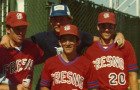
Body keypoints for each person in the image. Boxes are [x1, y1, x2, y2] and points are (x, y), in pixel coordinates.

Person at [0, 4, 125, 89]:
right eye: (55, 19)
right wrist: (5, 37)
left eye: (62, 18)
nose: (58, 22)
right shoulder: (43, 37)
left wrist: (117, 34)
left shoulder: (78, 34)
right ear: (50, 21)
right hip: (50, 82)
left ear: (69, 19)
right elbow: (20, 39)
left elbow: (101, 40)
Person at [85, 11, 138, 90]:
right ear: (98, 27)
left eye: (110, 26)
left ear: (115, 27)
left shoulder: (125, 45)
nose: (107, 29)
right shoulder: (90, 50)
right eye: (103, 26)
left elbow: (132, 75)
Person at [40, 24, 99, 90]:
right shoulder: (50, 62)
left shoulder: (87, 64)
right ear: (60, 43)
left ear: (77, 42)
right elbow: (44, 86)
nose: (67, 43)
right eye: (64, 40)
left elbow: (93, 87)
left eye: (71, 40)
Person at [0, 11, 44, 90]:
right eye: (17, 29)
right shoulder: (1, 51)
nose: (21, 32)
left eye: (24, 28)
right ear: (8, 29)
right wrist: (15, 87)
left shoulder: (32, 47)